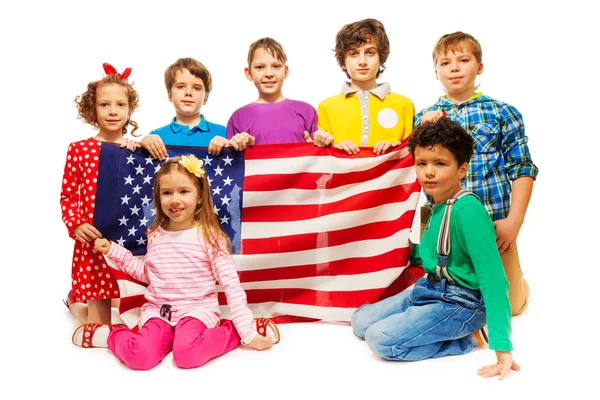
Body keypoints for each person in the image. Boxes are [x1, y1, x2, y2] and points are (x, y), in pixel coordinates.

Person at [351, 118, 519, 380]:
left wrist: (502, 346)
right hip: (428, 288)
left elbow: (494, 280)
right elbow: (428, 253)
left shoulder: (467, 211)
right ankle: (423, 321)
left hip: (462, 302)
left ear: (462, 169)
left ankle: (464, 338)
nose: (428, 172)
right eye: (422, 163)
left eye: (440, 163)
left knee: (380, 341)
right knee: (360, 322)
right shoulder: (430, 205)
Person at [92, 154, 280, 369]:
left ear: (199, 196)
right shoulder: (155, 235)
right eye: (167, 193)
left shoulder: (210, 236)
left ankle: (235, 331)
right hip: (159, 311)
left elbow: (231, 285)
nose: (174, 199)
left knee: (187, 355)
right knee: (139, 357)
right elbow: (148, 275)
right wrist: (115, 251)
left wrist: (247, 332)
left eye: (183, 191)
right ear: (158, 197)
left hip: (196, 311)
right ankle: (110, 335)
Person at [415, 31, 538, 315]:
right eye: (445, 63)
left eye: (463, 60)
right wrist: (424, 130)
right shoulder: (424, 117)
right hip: (444, 222)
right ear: (436, 72)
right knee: (443, 294)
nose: (454, 68)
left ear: (478, 67)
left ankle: (518, 283)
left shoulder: (502, 112)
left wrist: (514, 221)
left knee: (511, 306)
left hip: (492, 222)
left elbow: (521, 167)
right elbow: (415, 172)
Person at [61, 63, 141, 342]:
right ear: (92, 109)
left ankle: (110, 303)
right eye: (105, 104)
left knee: (131, 306)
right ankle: (75, 304)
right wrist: (76, 224)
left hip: (126, 243)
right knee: (97, 327)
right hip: (93, 244)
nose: (113, 111)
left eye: (120, 104)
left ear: (129, 109)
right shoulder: (80, 149)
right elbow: (68, 196)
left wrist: (141, 147)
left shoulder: (135, 149)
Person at [313, 18, 414, 155]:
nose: (362, 61)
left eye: (370, 52)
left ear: (381, 58)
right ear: (343, 60)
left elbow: (414, 153)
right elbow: (322, 158)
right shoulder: (326, 107)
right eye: (353, 53)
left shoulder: (404, 105)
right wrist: (335, 147)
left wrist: (396, 148)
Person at [226, 37, 318, 146]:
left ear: (285, 71)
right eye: (260, 67)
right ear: (249, 73)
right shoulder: (238, 118)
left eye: (276, 66)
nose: (269, 74)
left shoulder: (306, 112)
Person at [141, 58, 230, 159]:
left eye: (196, 88)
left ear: (206, 97)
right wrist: (142, 144)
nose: (188, 92)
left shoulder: (223, 133)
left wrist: (229, 145)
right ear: (169, 94)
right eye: (180, 86)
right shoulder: (156, 137)